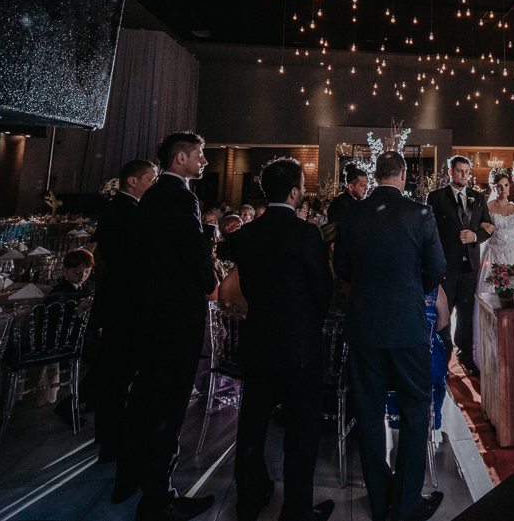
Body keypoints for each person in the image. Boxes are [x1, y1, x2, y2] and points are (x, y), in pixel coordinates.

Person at [220, 158, 334, 521]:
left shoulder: (246, 234)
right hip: (300, 346)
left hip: (258, 340)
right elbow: (322, 289)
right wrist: (309, 324)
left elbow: (244, 288)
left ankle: (249, 499)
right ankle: (296, 511)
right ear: (295, 191)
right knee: (301, 432)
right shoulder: (306, 234)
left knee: (252, 426)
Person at [335, 151, 445, 521]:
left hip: (364, 324)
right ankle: (407, 502)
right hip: (407, 324)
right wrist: (413, 291)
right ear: (402, 175)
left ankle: (380, 498)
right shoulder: (421, 213)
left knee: (367, 411)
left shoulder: (352, 214)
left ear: (376, 175)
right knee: (415, 408)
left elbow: (342, 269)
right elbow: (437, 269)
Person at [115, 132, 218, 521]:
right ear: (180, 159)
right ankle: (159, 497)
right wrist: (209, 268)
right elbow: (193, 254)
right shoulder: (180, 197)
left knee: (143, 398)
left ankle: (130, 480)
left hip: (151, 314)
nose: (204, 162)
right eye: (200, 155)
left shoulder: (151, 197)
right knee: (168, 406)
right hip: (176, 316)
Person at [90, 158, 158, 462]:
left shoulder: (117, 210)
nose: (154, 185)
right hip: (126, 303)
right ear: (132, 181)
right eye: (150, 179)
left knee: (114, 373)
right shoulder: (128, 211)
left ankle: (109, 436)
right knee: (118, 374)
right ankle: (115, 439)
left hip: (116, 301)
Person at [425, 156, 493, 376]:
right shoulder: (436, 197)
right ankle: (442, 357)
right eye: (460, 171)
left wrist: (475, 236)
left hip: (471, 266)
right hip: (446, 265)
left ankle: (465, 355)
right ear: (451, 172)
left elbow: (488, 227)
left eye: (467, 171)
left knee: (466, 313)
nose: (464, 175)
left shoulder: (478, 198)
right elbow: (430, 230)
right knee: (444, 313)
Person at [472, 170, 514, 370]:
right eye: (499, 186)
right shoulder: (486, 207)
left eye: (506, 185)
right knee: (493, 298)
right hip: (493, 256)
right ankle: (491, 348)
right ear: (492, 187)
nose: (503, 189)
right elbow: (480, 229)